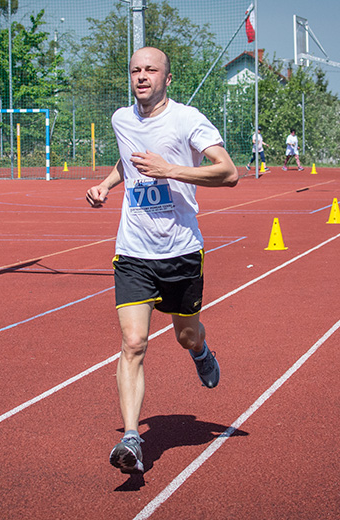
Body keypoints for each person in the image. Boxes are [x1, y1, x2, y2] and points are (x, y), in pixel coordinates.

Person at [85, 46, 238, 475]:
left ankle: (201, 350)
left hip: (181, 251)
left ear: (167, 79)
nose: (142, 76)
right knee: (133, 343)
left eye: (151, 70)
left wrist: (170, 169)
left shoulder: (188, 120)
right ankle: (132, 440)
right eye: (135, 70)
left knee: (185, 335)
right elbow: (129, 160)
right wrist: (106, 185)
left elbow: (228, 172)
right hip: (133, 251)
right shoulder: (121, 119)